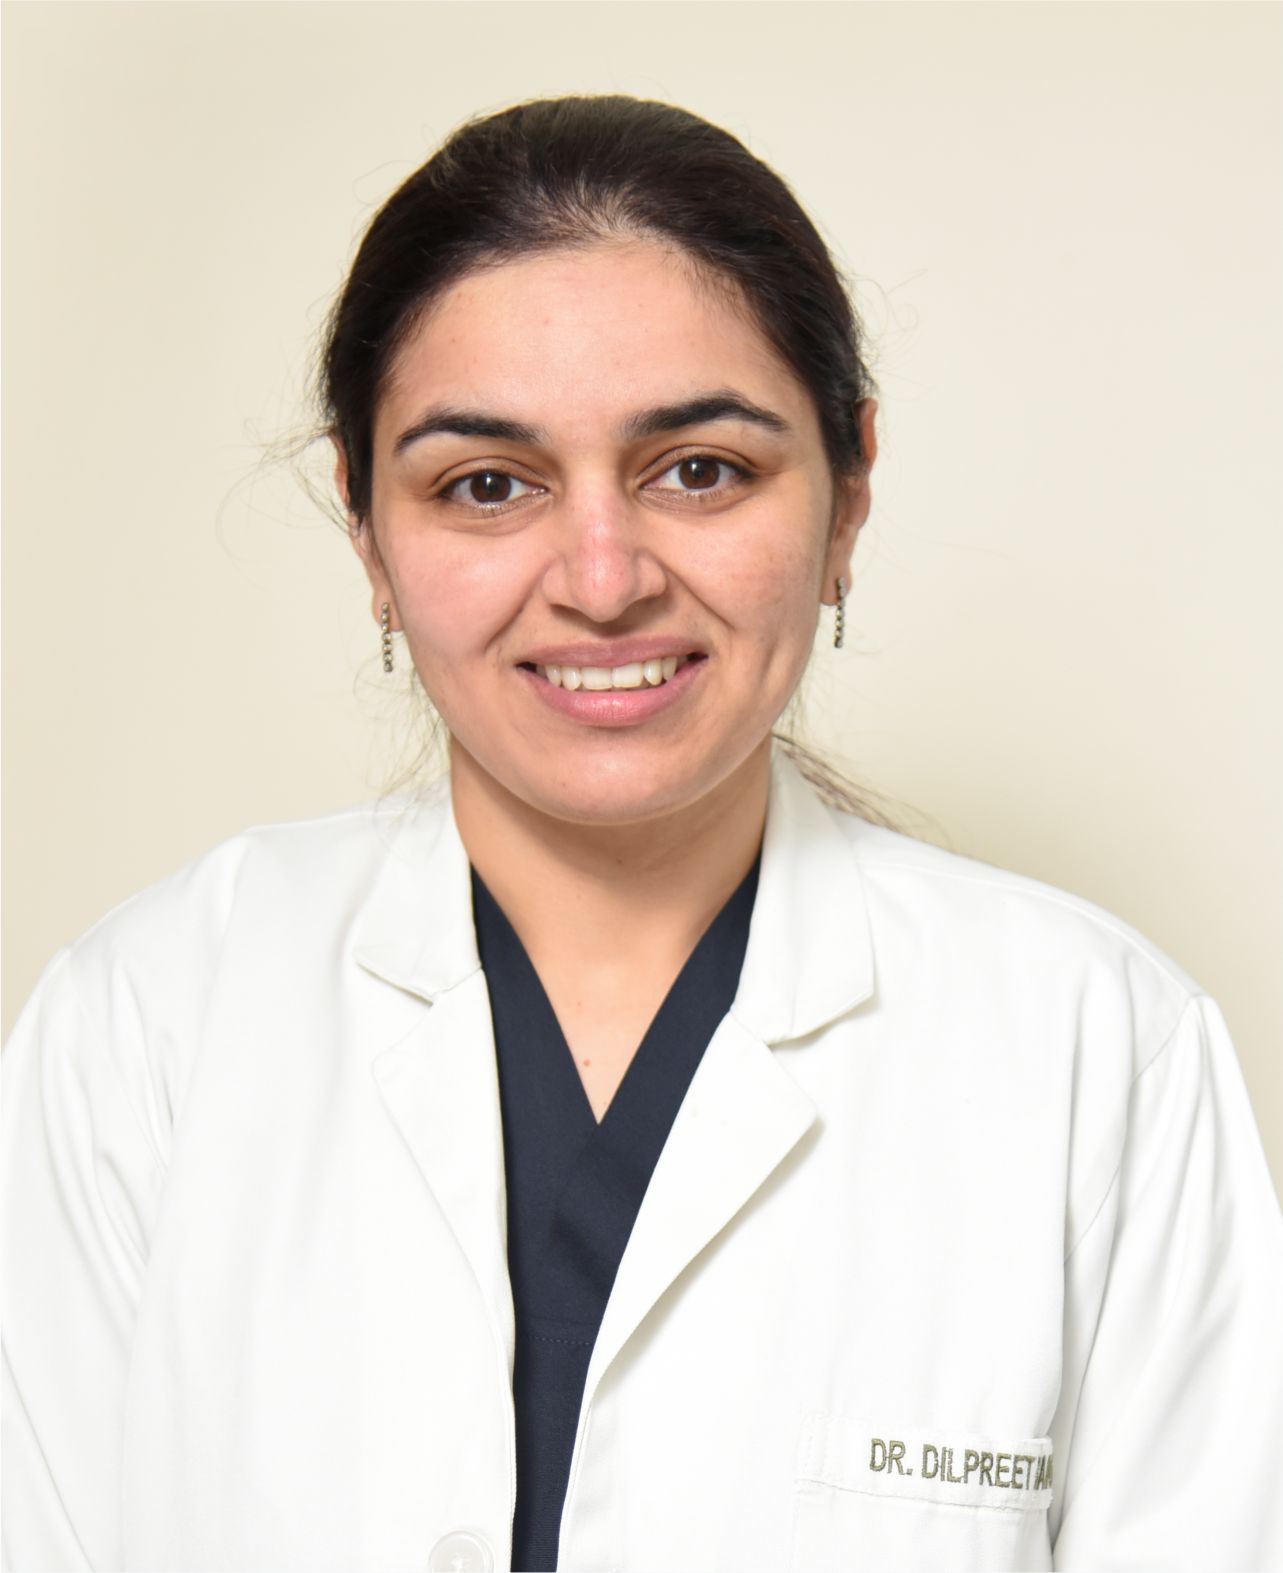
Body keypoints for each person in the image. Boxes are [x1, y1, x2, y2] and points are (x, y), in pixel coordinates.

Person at [2, 93, 1280, 1573]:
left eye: (700, 470)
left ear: (849, 493)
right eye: (488, 485)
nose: (603, 581)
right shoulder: (151, 1028)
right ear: (366, 528)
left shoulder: (1097, 1052)